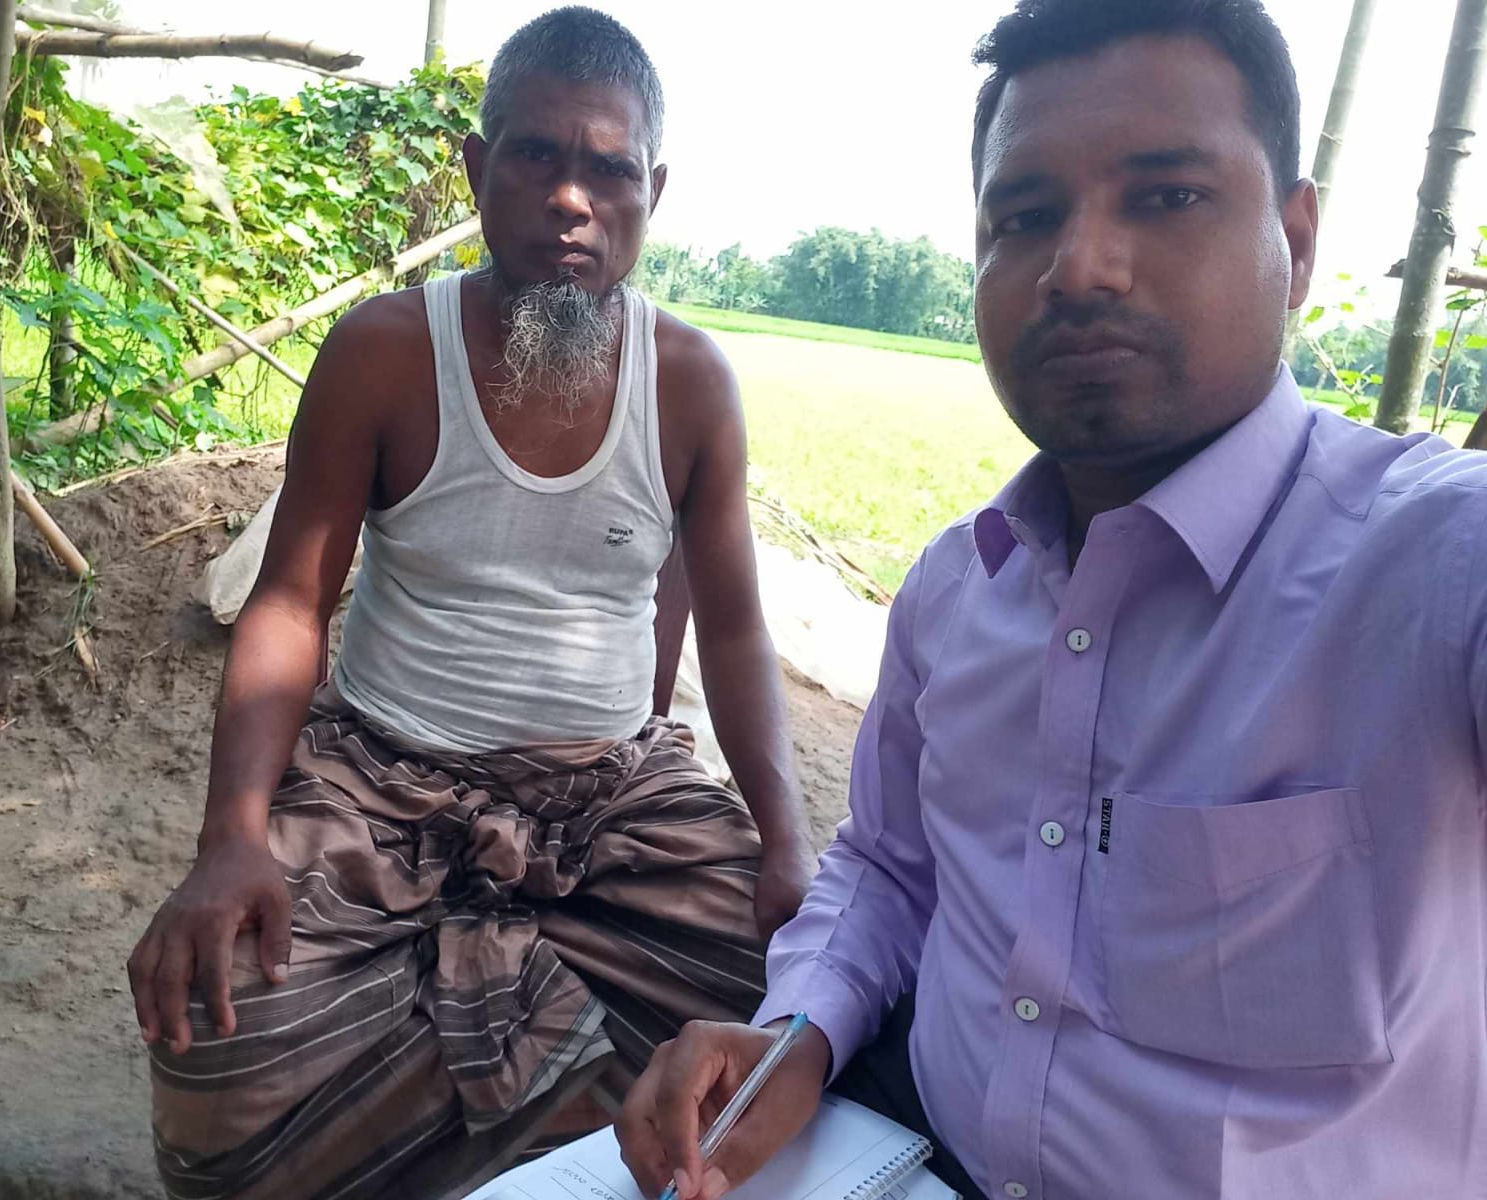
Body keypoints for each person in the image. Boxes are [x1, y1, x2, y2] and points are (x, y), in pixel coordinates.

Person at [616, 2, 1487, 1198]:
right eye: (1024, 218)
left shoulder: (1433, 566)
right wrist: (799, 1030)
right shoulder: (953, 590)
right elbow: (888, 864)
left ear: (1295, 241)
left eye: (1166, 196)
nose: (1079, 266)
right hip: (908, 1160)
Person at [125, 8, 814, 1197]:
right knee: (222, 1038)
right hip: (379, 775)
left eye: (609, 170)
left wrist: (788, 847)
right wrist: (231, 837)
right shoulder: (385, 352)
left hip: (612, 792)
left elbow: (736, 629)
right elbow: (289, 603)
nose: (570, 199)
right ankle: (540, 1126)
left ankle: (512, 1142)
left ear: (652, 192)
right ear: (477, 168)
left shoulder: (691, 383)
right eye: (536, 155)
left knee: (789, 1001)